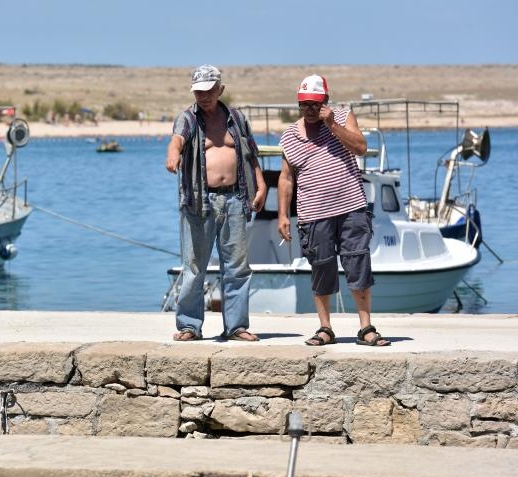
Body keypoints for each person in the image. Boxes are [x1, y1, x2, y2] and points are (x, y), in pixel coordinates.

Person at [277, 75, 391, 347]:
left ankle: (366, 328)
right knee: (321, 268)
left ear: (326, 102)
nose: (310, 110)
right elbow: (286, 178)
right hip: (313, 214)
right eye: (304, 105)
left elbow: (360, 148)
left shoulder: (342, 116)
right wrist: (283, 215)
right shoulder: (290, 135)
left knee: (358, 264)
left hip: (351, 207)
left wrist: (332, 124)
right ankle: (325, 328)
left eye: (315, 104)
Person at [165, 65, 267, 342]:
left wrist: (261, 183)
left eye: (209, 90)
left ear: (220, 89)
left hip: (235, 197)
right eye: (199, 91)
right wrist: (173, 156)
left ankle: (236, 327)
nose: (204, 96)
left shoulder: (236, 118)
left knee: (236, 267)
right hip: (199, 201)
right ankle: (189, 326)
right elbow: (176, 140)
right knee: (194, 266)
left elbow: (250, 153)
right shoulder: (187, 118)